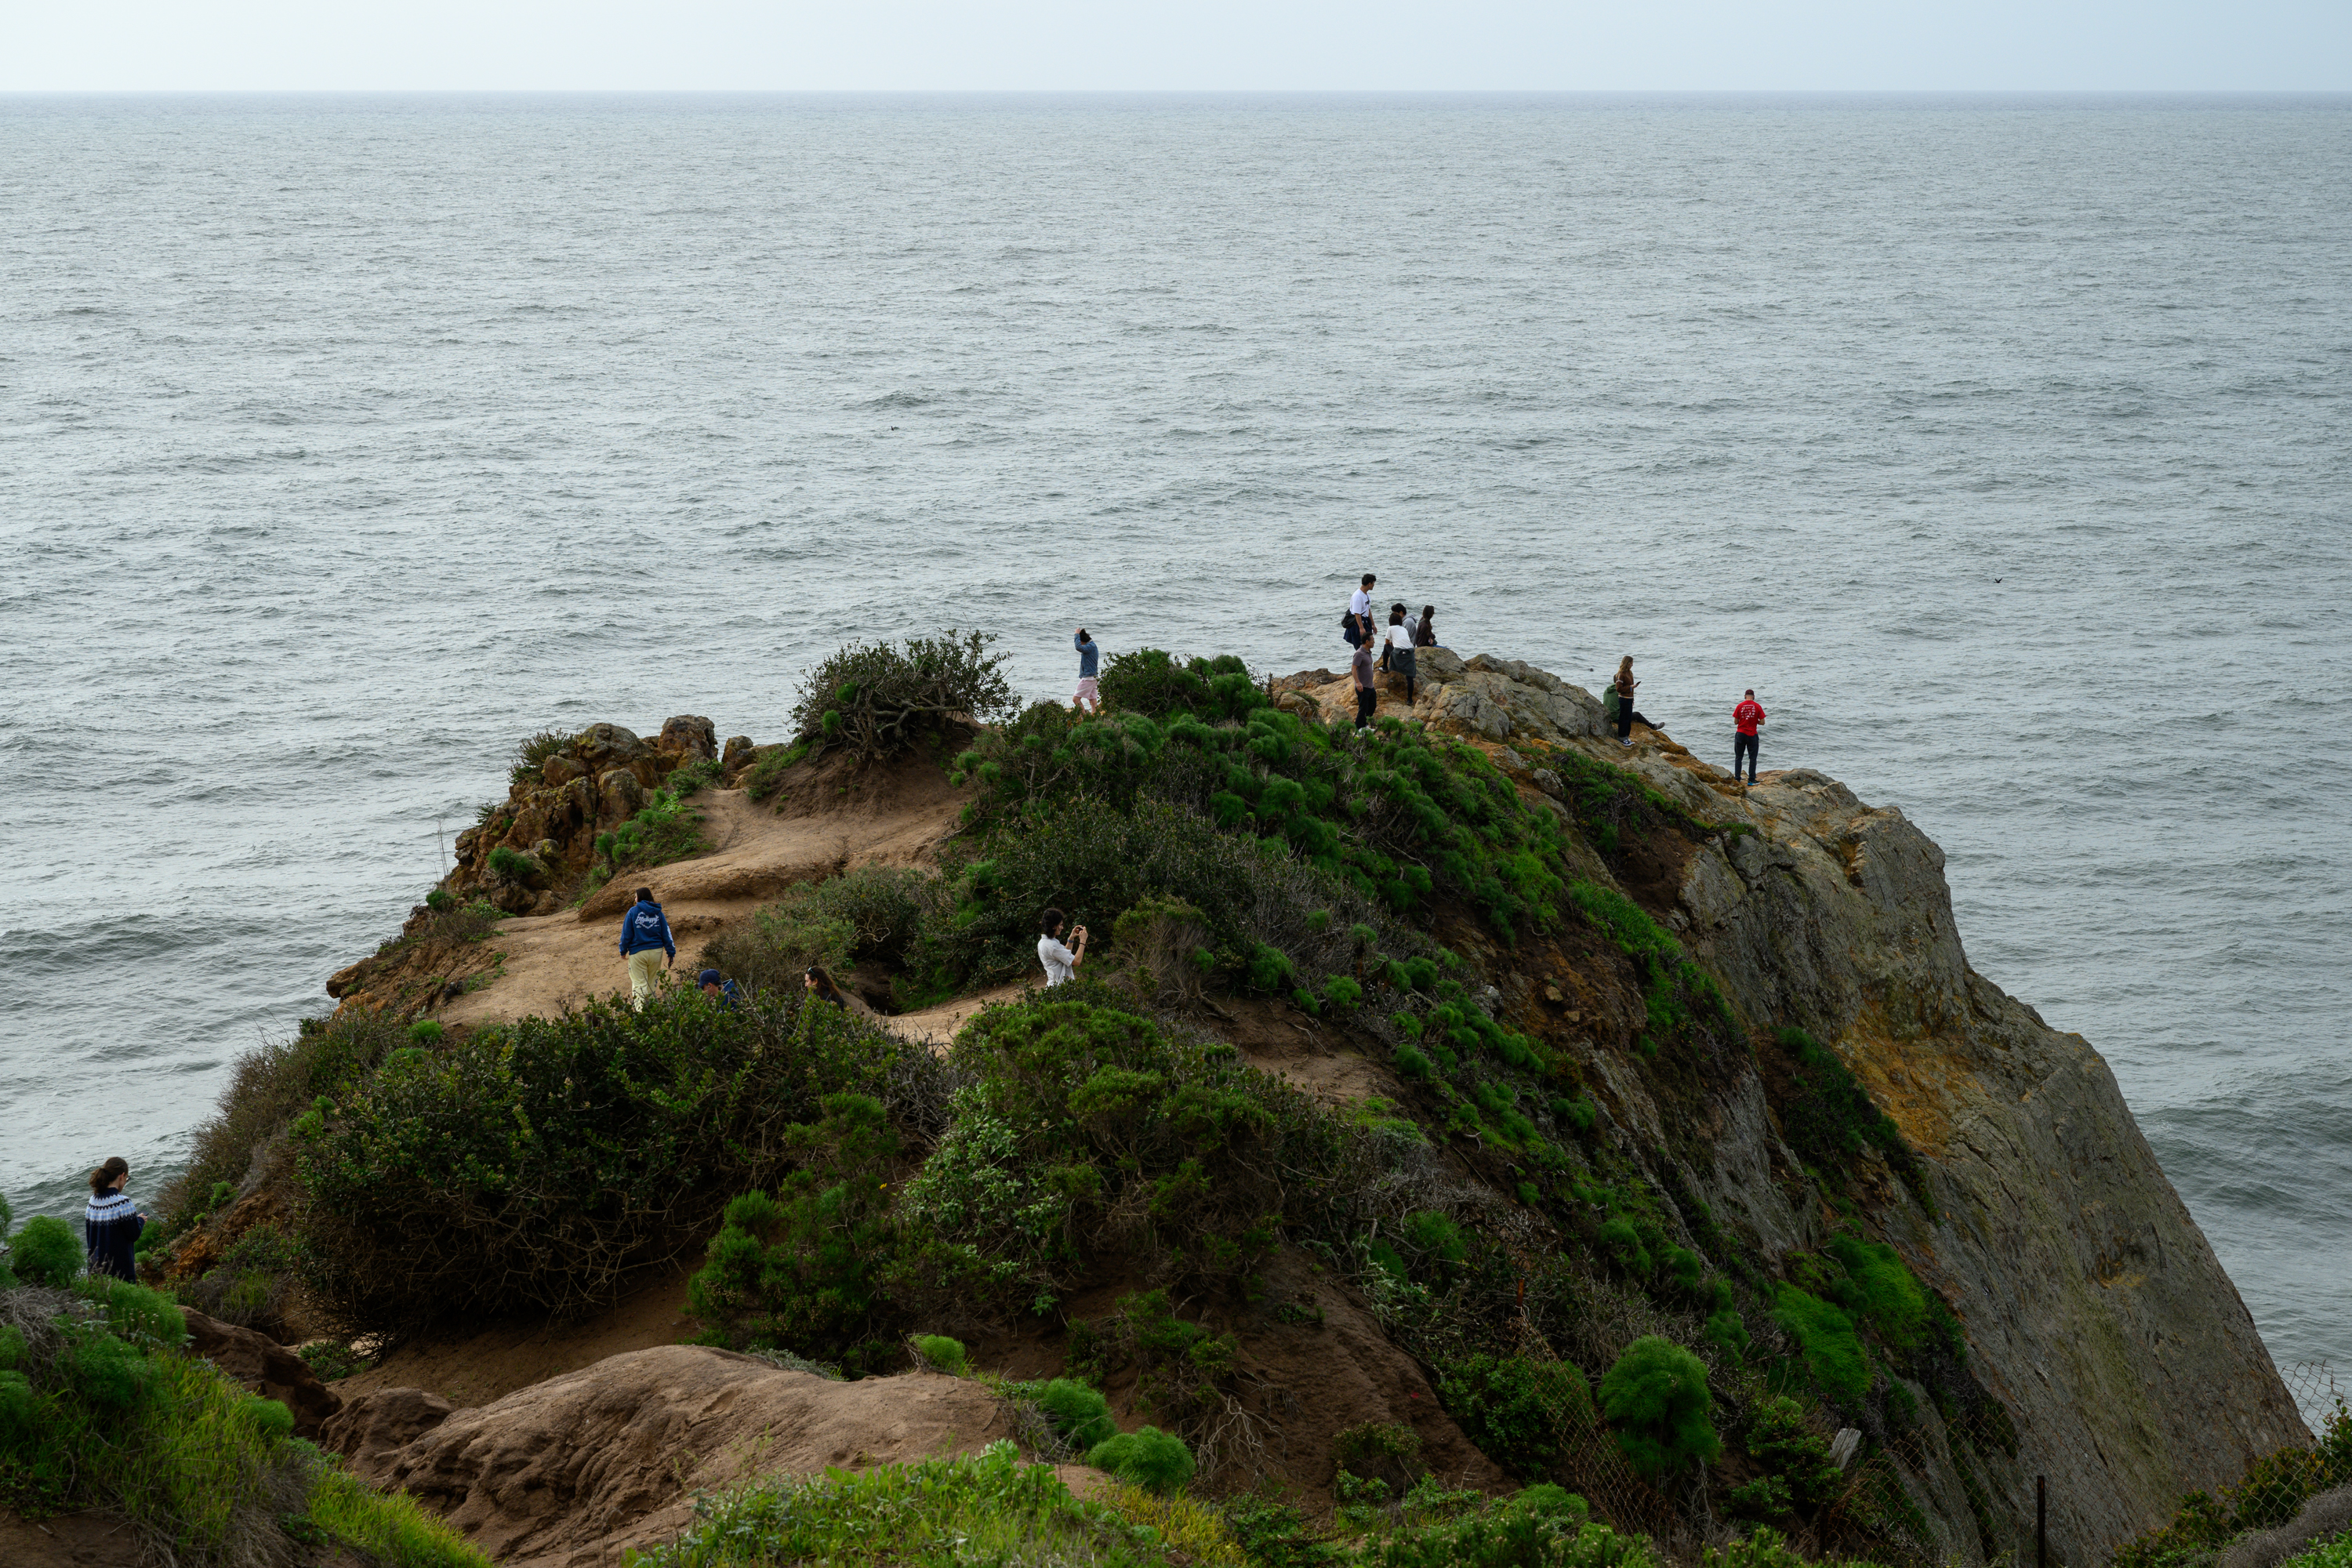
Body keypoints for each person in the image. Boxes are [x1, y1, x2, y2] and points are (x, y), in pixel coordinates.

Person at [84, 1156, 143, 1283]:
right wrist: (141, 1220)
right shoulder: (123, 1202)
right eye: (127, 1178)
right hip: (121, 1274)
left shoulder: (92, 1202)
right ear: (122, 1176)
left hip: (96, 1273)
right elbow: (134, 1234)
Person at [619, 886, 674, 1011]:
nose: (635, 898)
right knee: (651, 984)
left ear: (640, 897)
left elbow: (626, 934)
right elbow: (666, 933)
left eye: (635, 896)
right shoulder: (658, 913)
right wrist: (671, 952)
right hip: (656, 951)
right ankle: (651, 1012)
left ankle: (641, 1015)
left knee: (639, 984)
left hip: (638, 953)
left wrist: (623, 950)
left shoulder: (633, 912)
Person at [1038, 908, 1087, 986]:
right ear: (1054, 926)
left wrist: (1071, 938)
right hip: (1060, 988)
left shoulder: (1043, 942)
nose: (1062, 928)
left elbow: (1064, 956)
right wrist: (1083, 940)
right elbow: (1077, 961)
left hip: (1053, 985)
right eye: (1060, 925)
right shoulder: (1052, 946)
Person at [1384, 606, 1418, 706]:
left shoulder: (1390, 628)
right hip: (1410, 653)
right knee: (1409, 678)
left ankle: (1385, 667)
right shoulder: (1404, 629)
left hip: (1399, 654)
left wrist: (1392, 642)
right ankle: (1409, 700)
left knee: (1385, 646)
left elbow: (1387, 642)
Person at [1733, 690, 1766, 786]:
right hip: (1752, 734)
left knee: (1739, 757)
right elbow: (1763, 722)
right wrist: (1755, 722)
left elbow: (1736, 722)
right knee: (1752, 758)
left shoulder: (1740, 706)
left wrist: (1744, 721)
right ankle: (1751, 780)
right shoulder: (1757, 706)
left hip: (1740, 733)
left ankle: (1737, 779)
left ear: (1745, 696)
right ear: (1753, 696)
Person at [1351, 633, 1379, 728]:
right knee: (1363, 708)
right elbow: (1354, 668)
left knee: (1372, 706)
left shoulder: (1368, 652)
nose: (1374, 641)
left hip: (1370, 686)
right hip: (1362, 686)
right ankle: (1358, 729)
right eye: (1372, 640)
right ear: (1367, 641)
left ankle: (1365, 725)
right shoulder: (1359, 653)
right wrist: (1358, 682)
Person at [1343, 573, 1377, 648]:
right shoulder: (1357, 596)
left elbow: (1368, 611)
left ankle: (1368, 659)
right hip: (1358, 624)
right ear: (1369, 584)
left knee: (1368, 645)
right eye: (1373, 583)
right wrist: (1361, 628)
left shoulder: (1366, 595)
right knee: (1360, 646)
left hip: (1366, 621)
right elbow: (1357, 614)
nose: (1374, 585)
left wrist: (1373, 624)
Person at [1073, 628, 1102, 713]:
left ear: (1082, 640)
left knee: (1076, 699)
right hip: (1093, 677)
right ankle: (1094, 718)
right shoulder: (1092, 646)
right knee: (1093, 700)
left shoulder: (1090, 646)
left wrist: (1076, 635)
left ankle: (1084, 719)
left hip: (1088, 677)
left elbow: (1078, 647)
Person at [1613, 658, 1640, 746]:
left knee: (1628, 719)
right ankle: (1621, 738)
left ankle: (1626, 737)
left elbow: (1630, 687)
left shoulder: (1630, 673)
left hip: (1629, 699)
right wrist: (1631, 687)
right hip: (1624, 699)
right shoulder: (1621, 674)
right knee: (1624, 719)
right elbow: (1619, 689)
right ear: (1627, 663)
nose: (1632, 665)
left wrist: (1632, 699)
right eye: (1631, 663)